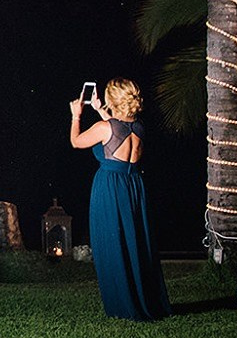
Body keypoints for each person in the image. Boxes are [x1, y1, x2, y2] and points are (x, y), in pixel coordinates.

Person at [68, 79, 169, 321]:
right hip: (133, 185)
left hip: (110, 186)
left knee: (112, 244)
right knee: (134, 242)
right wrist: (100, 110)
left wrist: (76, 115)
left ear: (113, 101)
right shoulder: (139, 128)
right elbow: (119, 127)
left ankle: (122, 307)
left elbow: (76, 141)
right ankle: (143, 300)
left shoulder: (105, 128)